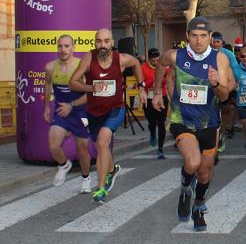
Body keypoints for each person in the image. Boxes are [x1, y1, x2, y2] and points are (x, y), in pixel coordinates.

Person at [152, 16, 233, 231]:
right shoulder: (175, 56)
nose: (199, 41)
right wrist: (157, 92)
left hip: (209, 122)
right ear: (187, 36)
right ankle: (185, 187)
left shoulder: (220, 59)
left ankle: (198, 207)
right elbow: (160, 64)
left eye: (203, 36)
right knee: (193, 162)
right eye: (194, 36)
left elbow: (224, 96)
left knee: (205, 173)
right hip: (182, 119)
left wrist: (216, 83)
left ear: (210, 37)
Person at [70, 28, 143, 203]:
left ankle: (101, 188)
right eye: (99, 41)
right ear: (95, 43)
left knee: (103, 142)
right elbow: (72, 83)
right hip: (94, 111)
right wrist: (90, 88)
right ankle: (112, 170)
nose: (102, 45)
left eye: (106, 41)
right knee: (99, 146)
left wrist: (141, 86)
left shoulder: (121, 59)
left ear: (112, 42)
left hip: (115, 109)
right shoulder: (89, 58)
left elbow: (136, 63)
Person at [43, 35, 91, 192]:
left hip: (81, 112)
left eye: (66, 46)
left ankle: (86, 178)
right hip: (61, 112)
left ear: (73, 48)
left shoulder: (81, 66)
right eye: (60, 46)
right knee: (53, 146)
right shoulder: (50, 67)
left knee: (82, 149)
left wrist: (72, 105)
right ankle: (64, 165)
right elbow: (48, 84)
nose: (63, 50)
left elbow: (90, 93)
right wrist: (47, 108)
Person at [211, 32, 240, 154]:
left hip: (225, 86)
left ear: (222, 42)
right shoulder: (206, 53)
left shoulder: (228, 54)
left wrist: (235, 84)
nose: (215, 44)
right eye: (214, 41)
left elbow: (235, 69)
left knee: (224, 112)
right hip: (211, 88)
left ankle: (221, 135)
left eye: (218, 41)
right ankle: (213, 137)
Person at [139, 48, 169, 159]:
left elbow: (169, 79)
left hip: (162, 96)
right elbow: (142, 83)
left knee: (161, 124)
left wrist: (162, 80)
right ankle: (152, 132)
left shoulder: (164, 67)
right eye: (153, 61)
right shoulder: (142, 68)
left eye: (157, 60)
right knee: (151, 121)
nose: (156, 63)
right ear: (149, 59)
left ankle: (160, 149)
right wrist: (154, 81)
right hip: (148, 97)